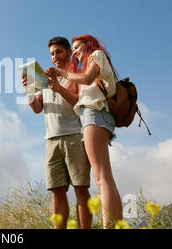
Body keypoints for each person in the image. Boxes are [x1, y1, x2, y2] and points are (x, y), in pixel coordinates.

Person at [46, 34, 123, 228]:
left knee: (101, 178)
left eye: (78, 48)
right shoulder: (91, 62)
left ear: (88, 45)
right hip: (97, 115)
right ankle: (115, 224)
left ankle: (110, 226)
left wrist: (61, 74)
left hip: (95, 115)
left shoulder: (96, 55)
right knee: (106, 178)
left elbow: (87, 79)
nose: (77, 53)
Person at [21, 36, 92, 229]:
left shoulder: (76, 75)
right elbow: (37, 108)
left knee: (81, 189)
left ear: (69, 52)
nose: (55, 56)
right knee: (56, 191)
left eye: (59, 52)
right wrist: (28, 90)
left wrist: (58, 87)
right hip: (51, 140)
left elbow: (78, 102)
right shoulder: (43, 80)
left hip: (75, 137)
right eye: (52, 53)